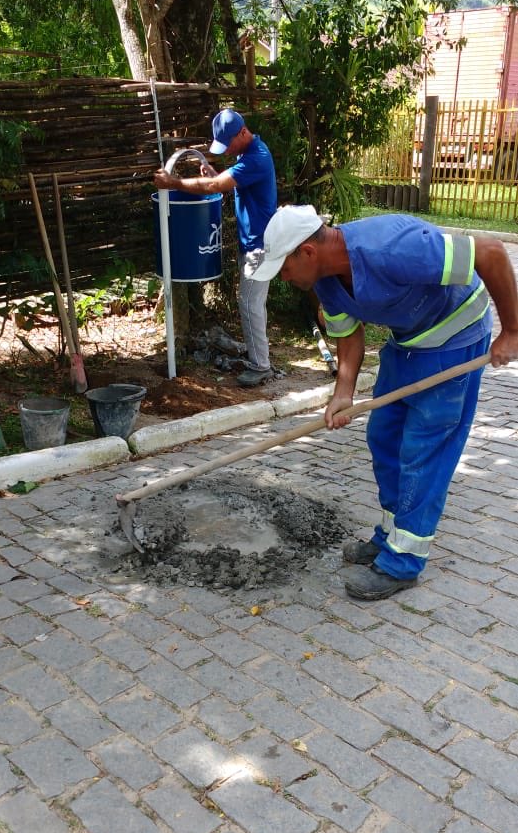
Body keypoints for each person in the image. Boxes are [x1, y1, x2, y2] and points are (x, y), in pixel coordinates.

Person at [252, 205, 518, 600]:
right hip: (408, 343)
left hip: (455, 339)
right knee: (384, 436)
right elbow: (349, 335)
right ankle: (392, 535)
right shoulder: (326, 280)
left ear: (307, 251)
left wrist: (511, 330)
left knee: (423, 448)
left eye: (284, 268)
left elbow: (491, 252)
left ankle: (403, 561)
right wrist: (343, 394)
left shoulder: (391, 248)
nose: (284, 278)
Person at [154, 108, 278, 387]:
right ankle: (259, 359)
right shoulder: (247, 153)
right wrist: (216, 174)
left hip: (260, 243)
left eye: (228, 144)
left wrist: (173, 183)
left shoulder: (256, 157)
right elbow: (228, 183)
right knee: (252, 303)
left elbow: (212, 186)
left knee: (249, 304)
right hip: (254, 240)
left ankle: (261, 366)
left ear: (243, 133)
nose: (225, 151)